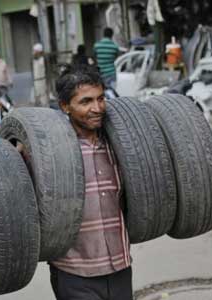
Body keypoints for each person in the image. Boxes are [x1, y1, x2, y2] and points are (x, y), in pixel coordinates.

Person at [50, 64, 132, 300]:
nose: (97, 108)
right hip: (74, 272)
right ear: (65, 107)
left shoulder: (121, 146)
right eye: (85, 102)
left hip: (120, 266)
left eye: (100, 98)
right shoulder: (51, 154)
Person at [32, 43, 49, 107]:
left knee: (43, 98)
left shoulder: (43, 59)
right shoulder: (34, 60)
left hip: (42, 80)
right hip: (36, 81)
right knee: (37, 98)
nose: (34, 53)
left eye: (35, 51)